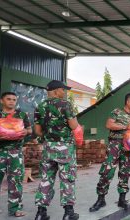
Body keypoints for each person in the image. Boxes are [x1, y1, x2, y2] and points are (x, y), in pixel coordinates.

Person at [34, 80, 83, 220]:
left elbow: (37, 131)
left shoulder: (40, 106)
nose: (64, 92)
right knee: (67, 178)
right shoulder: (65, 104)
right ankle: (68, 213)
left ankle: (40, 213)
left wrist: (50, 135)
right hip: (65, 148)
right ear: (56, 91)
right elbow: (74, 126)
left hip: (48, 148)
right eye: (63, 89)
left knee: (46, 179)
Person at [89, 93, 130, 212]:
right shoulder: (116, 112)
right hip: (114, 145)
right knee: (107, 171)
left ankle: (122, 199)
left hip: (127, 147)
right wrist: (125, 126)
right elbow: (109, 124)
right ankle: (101, 199)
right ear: (128, 101)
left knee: (125, 173)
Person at [0, 92, 32, 217]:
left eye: (14, 99)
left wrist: (25, 132)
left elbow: (30, 129)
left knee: (16, 182)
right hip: (0, 152)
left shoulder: (22, 115)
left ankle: (15, 209)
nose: (11, 101)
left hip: (16, 153)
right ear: (2, 101)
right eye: (8, 99)